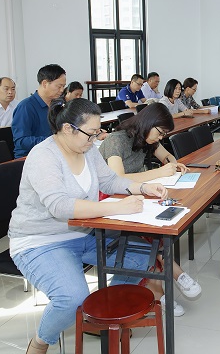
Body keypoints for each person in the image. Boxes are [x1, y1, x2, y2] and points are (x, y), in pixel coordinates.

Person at [9, 98, 168, 354]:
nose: (95, 139)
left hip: (82, 233)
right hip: (40, 241)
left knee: (141, 258)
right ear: (68, 128)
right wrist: (117, 207)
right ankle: (40, 342)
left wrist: (143, 188)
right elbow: (59, 206)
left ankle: (99, 317)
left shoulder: (88, 150)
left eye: (97, 133)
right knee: (72, 298)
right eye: (91, 133)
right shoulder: (43, 156)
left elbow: (110, 181)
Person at [99, 103, 201, 316]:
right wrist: (159, 173)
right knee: (151, 236)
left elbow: (167, 157)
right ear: (148, 123)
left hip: (133, 196)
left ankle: (159, 293)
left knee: (158, 229)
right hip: (109, 203)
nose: (160, 138)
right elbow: (117, 179)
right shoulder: (116, 140)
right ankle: (174, 279)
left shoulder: (147, 139)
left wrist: (173, 164)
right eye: (160, 132)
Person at [12, 64, 66, 158]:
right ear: (45, 84)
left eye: (63, 86)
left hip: (53, 152)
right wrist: (53, 140)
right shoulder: (26, 107)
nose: (62, 90)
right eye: (59, 86)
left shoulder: (57, 104)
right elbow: (21, 141)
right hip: (30, 157)